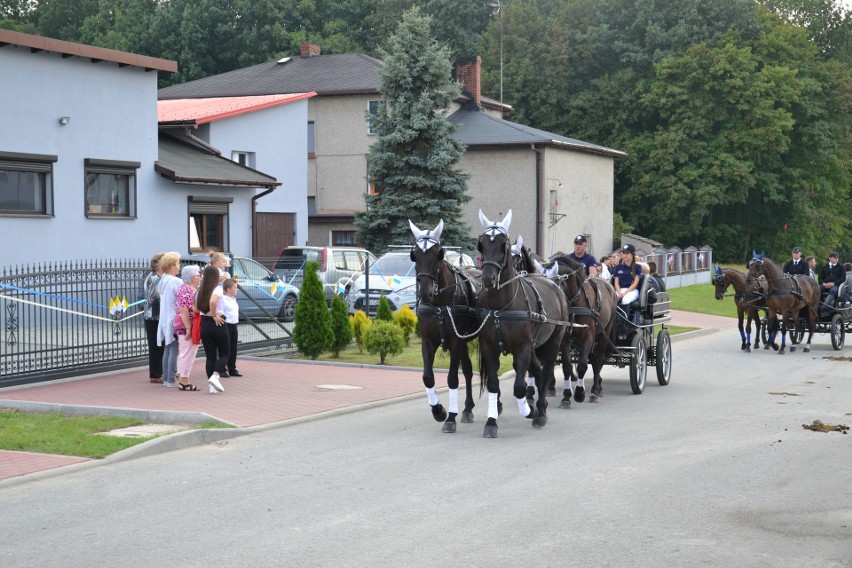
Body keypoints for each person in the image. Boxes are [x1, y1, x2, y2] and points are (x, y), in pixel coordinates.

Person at [197, 264, 228, 394]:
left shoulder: (200, 290)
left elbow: (195, 308)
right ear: (215, 276)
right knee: (225, 353)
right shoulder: (217, 289)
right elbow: (213, 302)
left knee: (210, 356)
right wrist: (214, 314)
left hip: (204, 323)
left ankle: (211, 386)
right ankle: (215, 376)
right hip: (217, 322)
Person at [155, 252, 183, 388]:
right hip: (173, 318)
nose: (179, 267)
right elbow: (183, 298)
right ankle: (171, 379)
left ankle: (166, 377)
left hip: (165, 318)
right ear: (172, 266)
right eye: (178, 264)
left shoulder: (163, 280)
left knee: (168, 348)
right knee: (174, 348)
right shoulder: (176, 281)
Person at [174, 264, 202, 391]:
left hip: (188, 324)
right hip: (187, 325)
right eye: (197, 275)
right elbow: (184, 310)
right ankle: (184, 380)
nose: (200, 276)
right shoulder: (186, 289)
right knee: (188, 351)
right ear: (192, 278)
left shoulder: (188, 289)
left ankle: (182, 376)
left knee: (185, 351)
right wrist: (189, 328)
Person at [143, 253, 164, 383]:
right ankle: (155, 375)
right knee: (155, 346)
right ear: (158, 264)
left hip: (158, 316)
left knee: (161, 345)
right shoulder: (154, 278)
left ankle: (161, 371)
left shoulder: (160, 277)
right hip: (153, 316)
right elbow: (152, 298)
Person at [613, 244, 643, 315]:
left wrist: (625, 293)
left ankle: (624, 323)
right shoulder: (618, 267)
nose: (624, 255)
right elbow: (616, 283)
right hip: (620, 290)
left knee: (625, 300)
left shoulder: (637, 267)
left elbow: (635, 284)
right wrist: (620, 293)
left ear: (632, 254)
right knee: (613, 299)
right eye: (623, 253)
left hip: (632, 291)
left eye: (627, 253)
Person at [221, 278, 243, 377]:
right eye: (235, 288)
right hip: (226, 325)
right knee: (225, 348)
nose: (236, 290)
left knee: (233, 347)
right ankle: (221, 368)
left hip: (234, 324)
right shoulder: (223, 300)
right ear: (228, 289)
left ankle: (232, 368)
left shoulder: (233, 299)